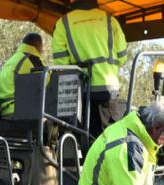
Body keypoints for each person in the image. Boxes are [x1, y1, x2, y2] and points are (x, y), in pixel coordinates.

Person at [52, 0, 128, 137]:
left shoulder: (63, 23)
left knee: (84, 135)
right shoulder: (110, 20)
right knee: (109, 136)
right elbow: (122, 57)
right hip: (107, 86)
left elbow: (60, 61)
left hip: (80, 88)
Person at [0, 33, 45, 117]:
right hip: (19, 111)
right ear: (38, 45)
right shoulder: (32, 58)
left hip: (4, 111)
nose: (42, 51)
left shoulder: (11, 60)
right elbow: (46, 82)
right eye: (42, 48)